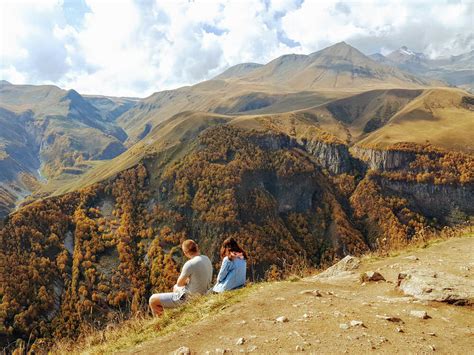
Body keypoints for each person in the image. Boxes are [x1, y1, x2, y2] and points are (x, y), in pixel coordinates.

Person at [149, 239, 212, 316]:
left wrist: (187, 281)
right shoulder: (206, 258)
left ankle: (161, 323)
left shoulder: (190, 264)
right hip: (205, 294)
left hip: (190, 298)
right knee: (175, 288)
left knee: (152, 300)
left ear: (185, 253)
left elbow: (179, 283)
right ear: (197, 247)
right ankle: (182, 313)